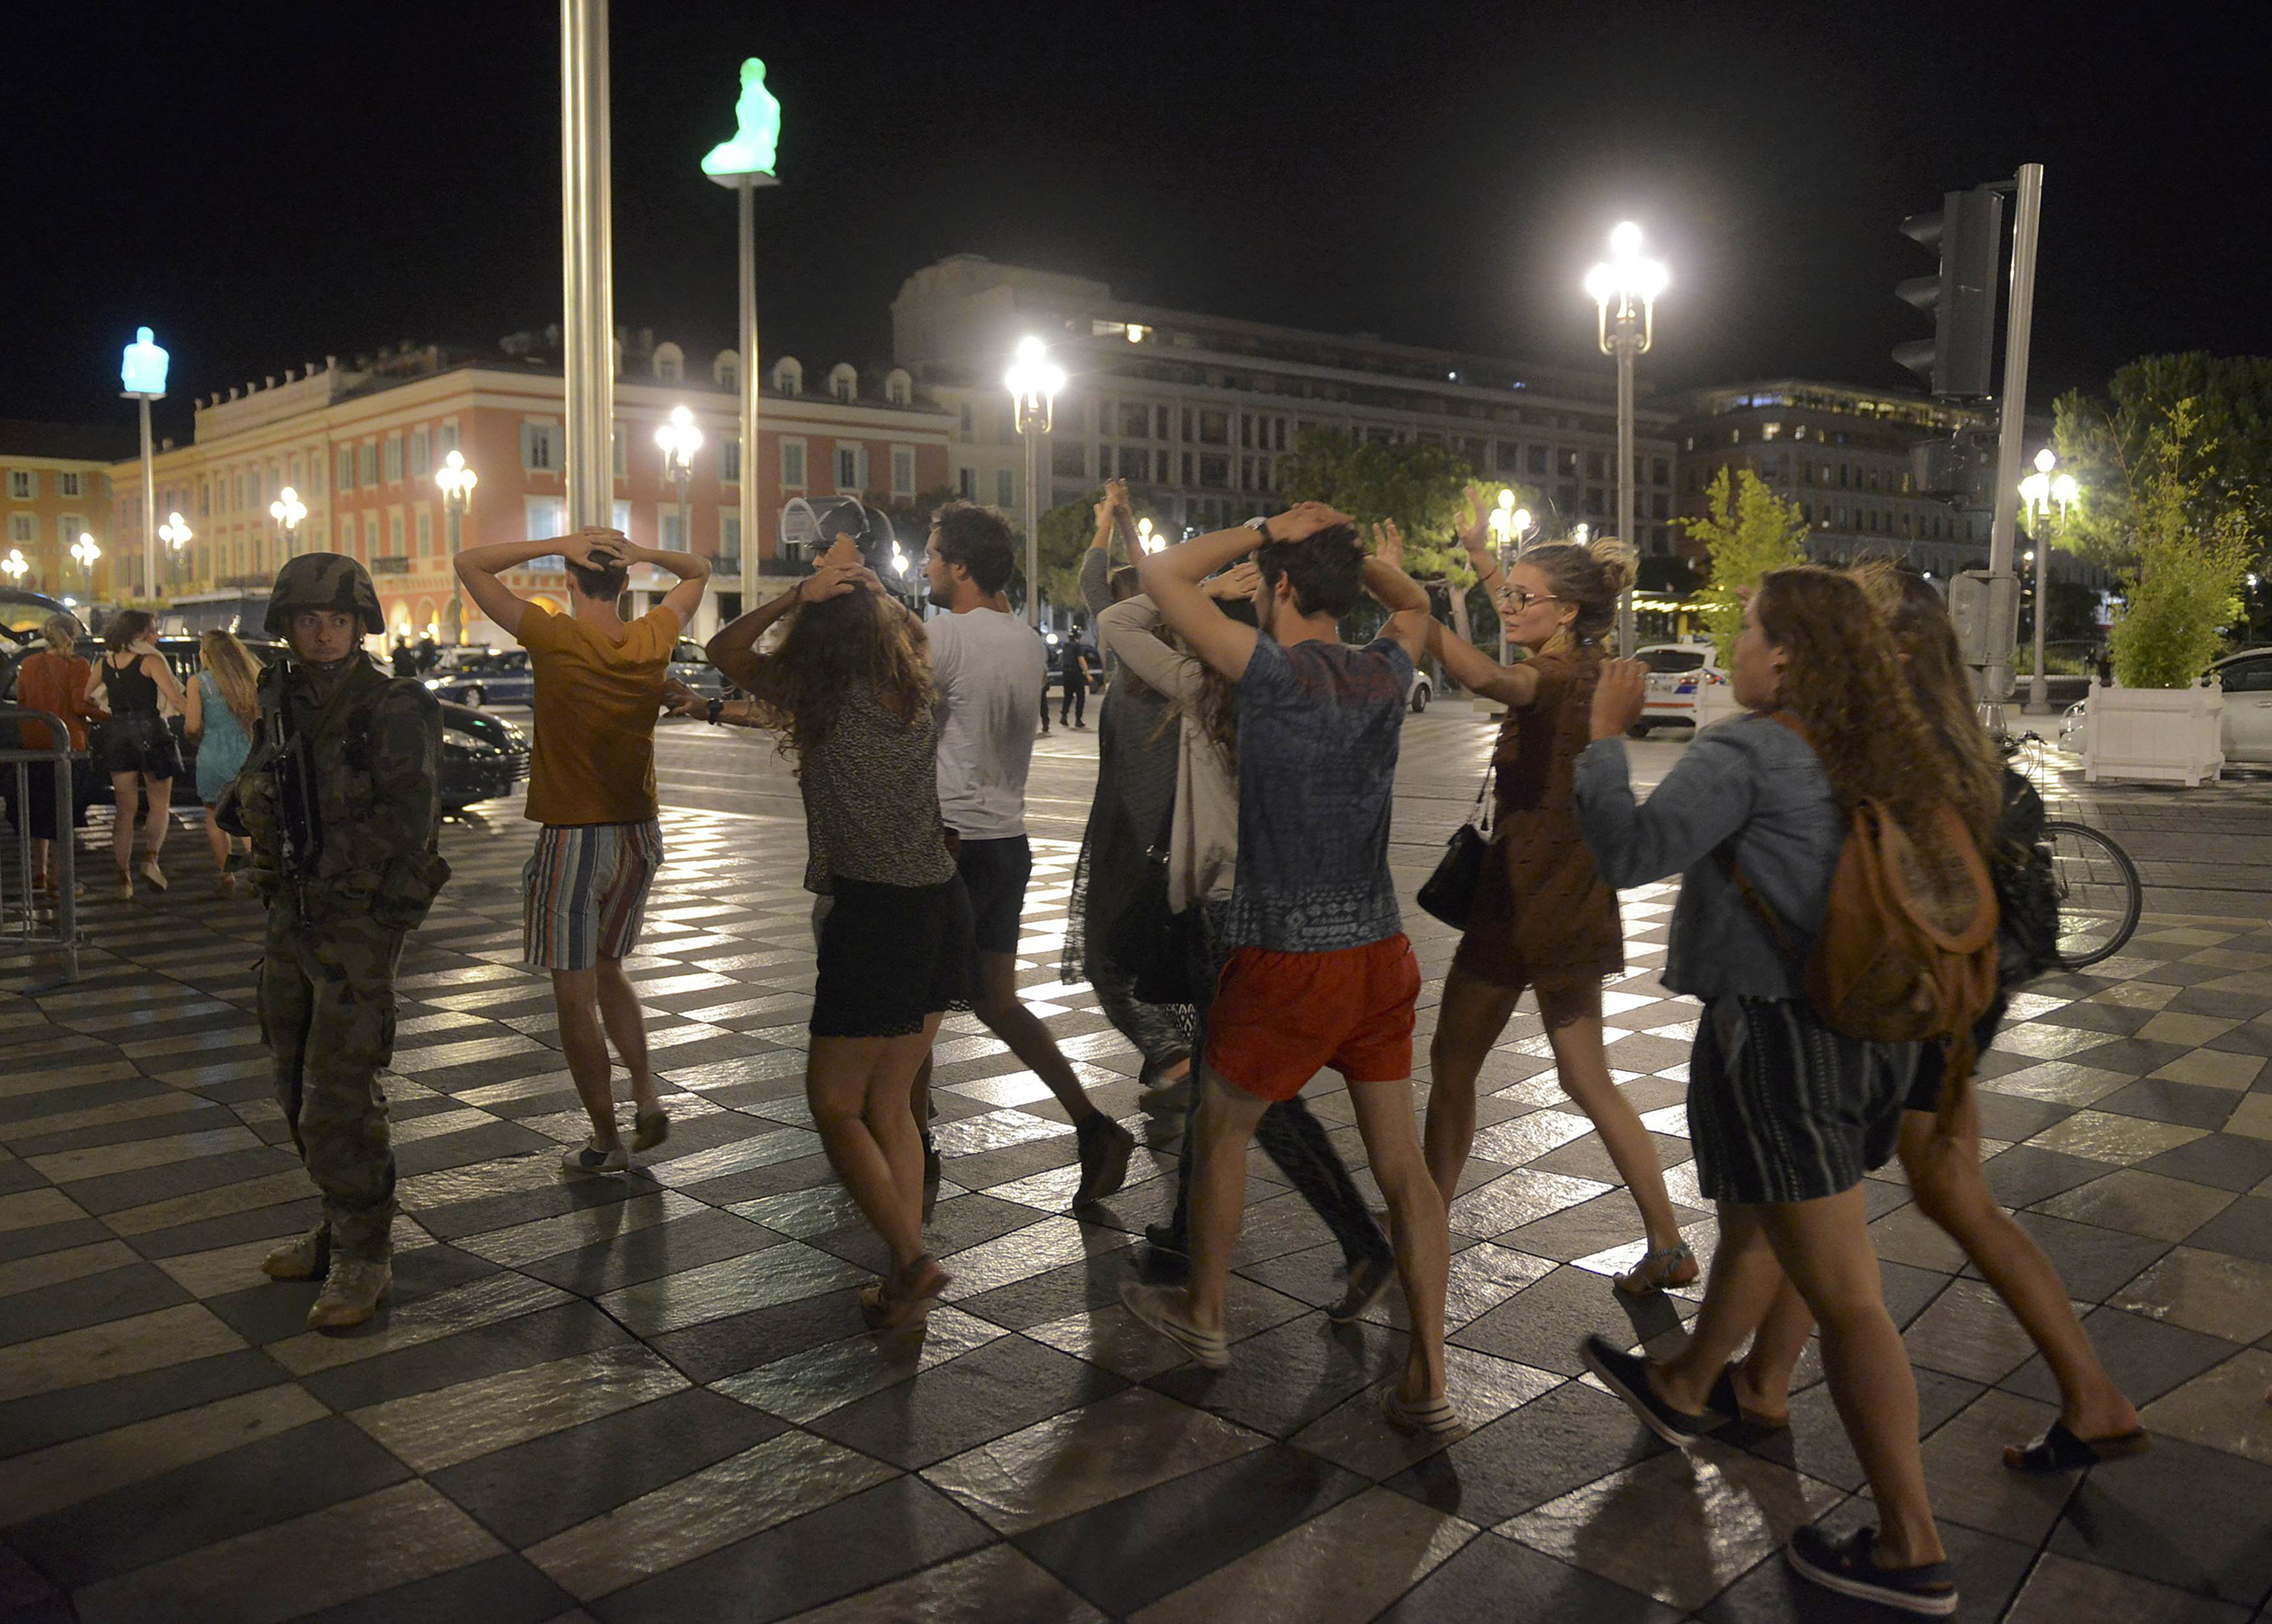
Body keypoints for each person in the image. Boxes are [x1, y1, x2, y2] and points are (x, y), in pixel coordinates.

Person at [1573, 568, 1964, 1617]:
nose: (1733, 649)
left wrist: (1604, 739)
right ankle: (1704, 1386)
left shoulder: (1748, 747)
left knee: (1846, 1294)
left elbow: (1628, 850)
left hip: (1780, 1038)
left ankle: (1910, 1545)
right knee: (1761, 1223)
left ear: (1785, 655)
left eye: (1744, 632)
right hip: (1868, 1032)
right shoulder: (1874, 746)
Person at [1720, 566, 2146, 1472]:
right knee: (1915, 1189)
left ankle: (2088, 1397)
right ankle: (1761, 1378)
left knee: (1907, 1189)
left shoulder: (1891, 746)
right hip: (1963, 994)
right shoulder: (1958, 741)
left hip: (1917, 995)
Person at [1119, 503, 1456, 1437]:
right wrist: (1364, 563)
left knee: (1223, 1132)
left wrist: (1266, 525)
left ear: (1276, 590)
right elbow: (1417, 600)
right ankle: (1429, 1376)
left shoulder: (1266, 673)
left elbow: (1159, 575)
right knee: (1403, 1170)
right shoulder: (1389, 668)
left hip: (1284, 954)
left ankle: (1207, 1316)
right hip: (1379, 954)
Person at [1098, 552, 1396, 1320]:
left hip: (1230, 912)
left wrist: (1197, 591)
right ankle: (1186, 1236)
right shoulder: (1295, 691)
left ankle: (1353, 1239)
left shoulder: (1204, 690)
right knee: (1217, 1080)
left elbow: (1117, 619)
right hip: (1315, 916)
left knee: (1247, 1094)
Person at [692, 538, 979, 1328]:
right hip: (940, 905)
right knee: (892, 1104)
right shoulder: (910, 686)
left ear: (817, 634)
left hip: (876, 913)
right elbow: (909, 630)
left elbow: (722, 648)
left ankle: (916, 1263)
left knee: (832, 1104)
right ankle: (900, 1277)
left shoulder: (814, 693)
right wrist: (869, 588)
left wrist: (798, 595)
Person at [1419, 493, 1695, 1293]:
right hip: (1567, 896)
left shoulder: (1553, 673)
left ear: (1568, 611)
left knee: (1452, 1063)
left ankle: (1424, 1220)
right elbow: (1522, 614)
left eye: (1520, 597)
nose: (1508, 604)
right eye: (1505, 594)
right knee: (1585, 1077)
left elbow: (1482, 674)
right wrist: (1479, 560)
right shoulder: (1581, 662)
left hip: (1522, 901)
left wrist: (1412, 609)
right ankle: (1666, 1239)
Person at [455, 525, 711, 1174]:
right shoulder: (653, 635)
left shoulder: (553, 634)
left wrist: (556, 541)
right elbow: (699, 570)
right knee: (609, 967)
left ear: (571, 581)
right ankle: (646, 1093)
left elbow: (471, 562)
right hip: (637, 835)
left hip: (572, 836)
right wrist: (647, 553)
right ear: (624, 583)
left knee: (575, 996)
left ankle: (605, 1140)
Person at [240, 555, 448, 1329]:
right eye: (307, 620)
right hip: (291, 915)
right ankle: (337, 1225)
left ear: (362, 625)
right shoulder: (282, 698)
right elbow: (267, 777)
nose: (322, 634)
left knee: (341, 1090)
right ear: (286, 626)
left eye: (337, 620)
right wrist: (251, 808)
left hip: (356, 923)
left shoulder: (393, 705)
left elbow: (411, 818)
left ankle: (366, 1254)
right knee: (294, 1082)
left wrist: (321, 850)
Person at [916, 501, 1136, 1207]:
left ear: (960, 568)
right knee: (997, 1001)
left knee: (912, 1007)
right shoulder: (1024, 640)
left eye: (931, 554)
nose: (923, 565)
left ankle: (909, 1142)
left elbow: (899, 725)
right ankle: (1092, 1125)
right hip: (1007, 841)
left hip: (949, 842)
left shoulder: (941, 636)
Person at [1063, 480, 1194, 1098]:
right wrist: (1126, 524)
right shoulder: (1178, 668)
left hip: (1132, 842)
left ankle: (1169, 1052)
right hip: (1170, 838)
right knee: (1160, 949)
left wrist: (1108, 520)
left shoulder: (1142, 669)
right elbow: (1136, 588)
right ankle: (1176, 1052)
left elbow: (1098, 586)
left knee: (1106, 959)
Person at [91, 610, 188, 900]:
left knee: (125, 809)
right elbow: (176, 700)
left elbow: (84, 696)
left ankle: (124, 879)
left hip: (118, 736)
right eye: (153, 630)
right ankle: (151, 860)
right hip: (153, 734)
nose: (157, 636)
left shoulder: (104, 663)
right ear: (138, 633)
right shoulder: (152, 661)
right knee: (159, 804)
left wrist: (111, 715)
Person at [12, 612, 102, 900]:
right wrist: (104, 713)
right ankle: (59, 880)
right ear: (72, 636)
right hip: (67, 747)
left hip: (34, 746)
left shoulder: (28, 664)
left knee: (38, 811)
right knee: (64, 813)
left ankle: (38, 874)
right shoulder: (77, 666)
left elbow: (23, 702)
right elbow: (79, 705)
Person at [185, 629, 261, 897]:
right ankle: (258, 873)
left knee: (215, 816)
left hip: (213, 754)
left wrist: (200, 738)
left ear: (207, 654)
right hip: (247, 752)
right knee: (251, 815)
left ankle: (226, 876)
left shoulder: (199, 682)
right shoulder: (250, 678)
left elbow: (192, 725)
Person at [1059, 624, 1093, 728]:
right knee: (1080, 696)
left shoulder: (1065, 646)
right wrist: (1088, 675)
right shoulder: (1077, 646)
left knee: (1068, 696)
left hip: (1066, 673)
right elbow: (1081, 660)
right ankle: (1078, 719)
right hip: (1075, 673)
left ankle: (1064, 716)